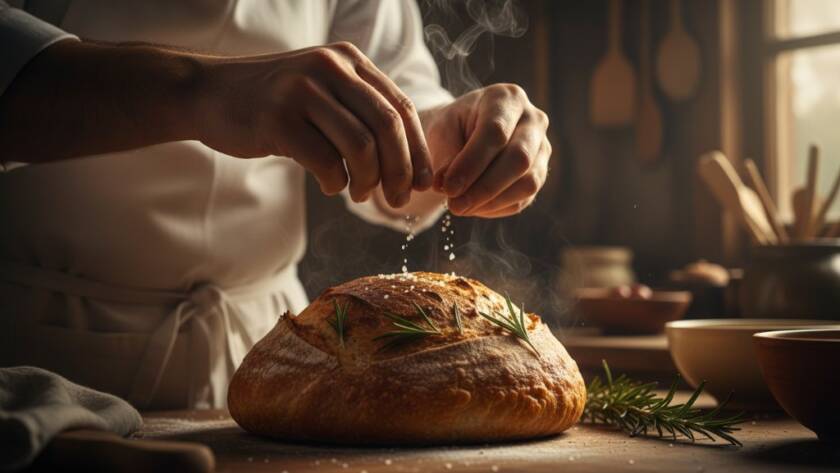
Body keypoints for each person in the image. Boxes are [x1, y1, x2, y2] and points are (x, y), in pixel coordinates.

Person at [0, 0, 551, 409]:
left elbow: (392, 84)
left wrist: (441, 134)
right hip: (41, 355)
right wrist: (200, 90)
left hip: (274, 356)